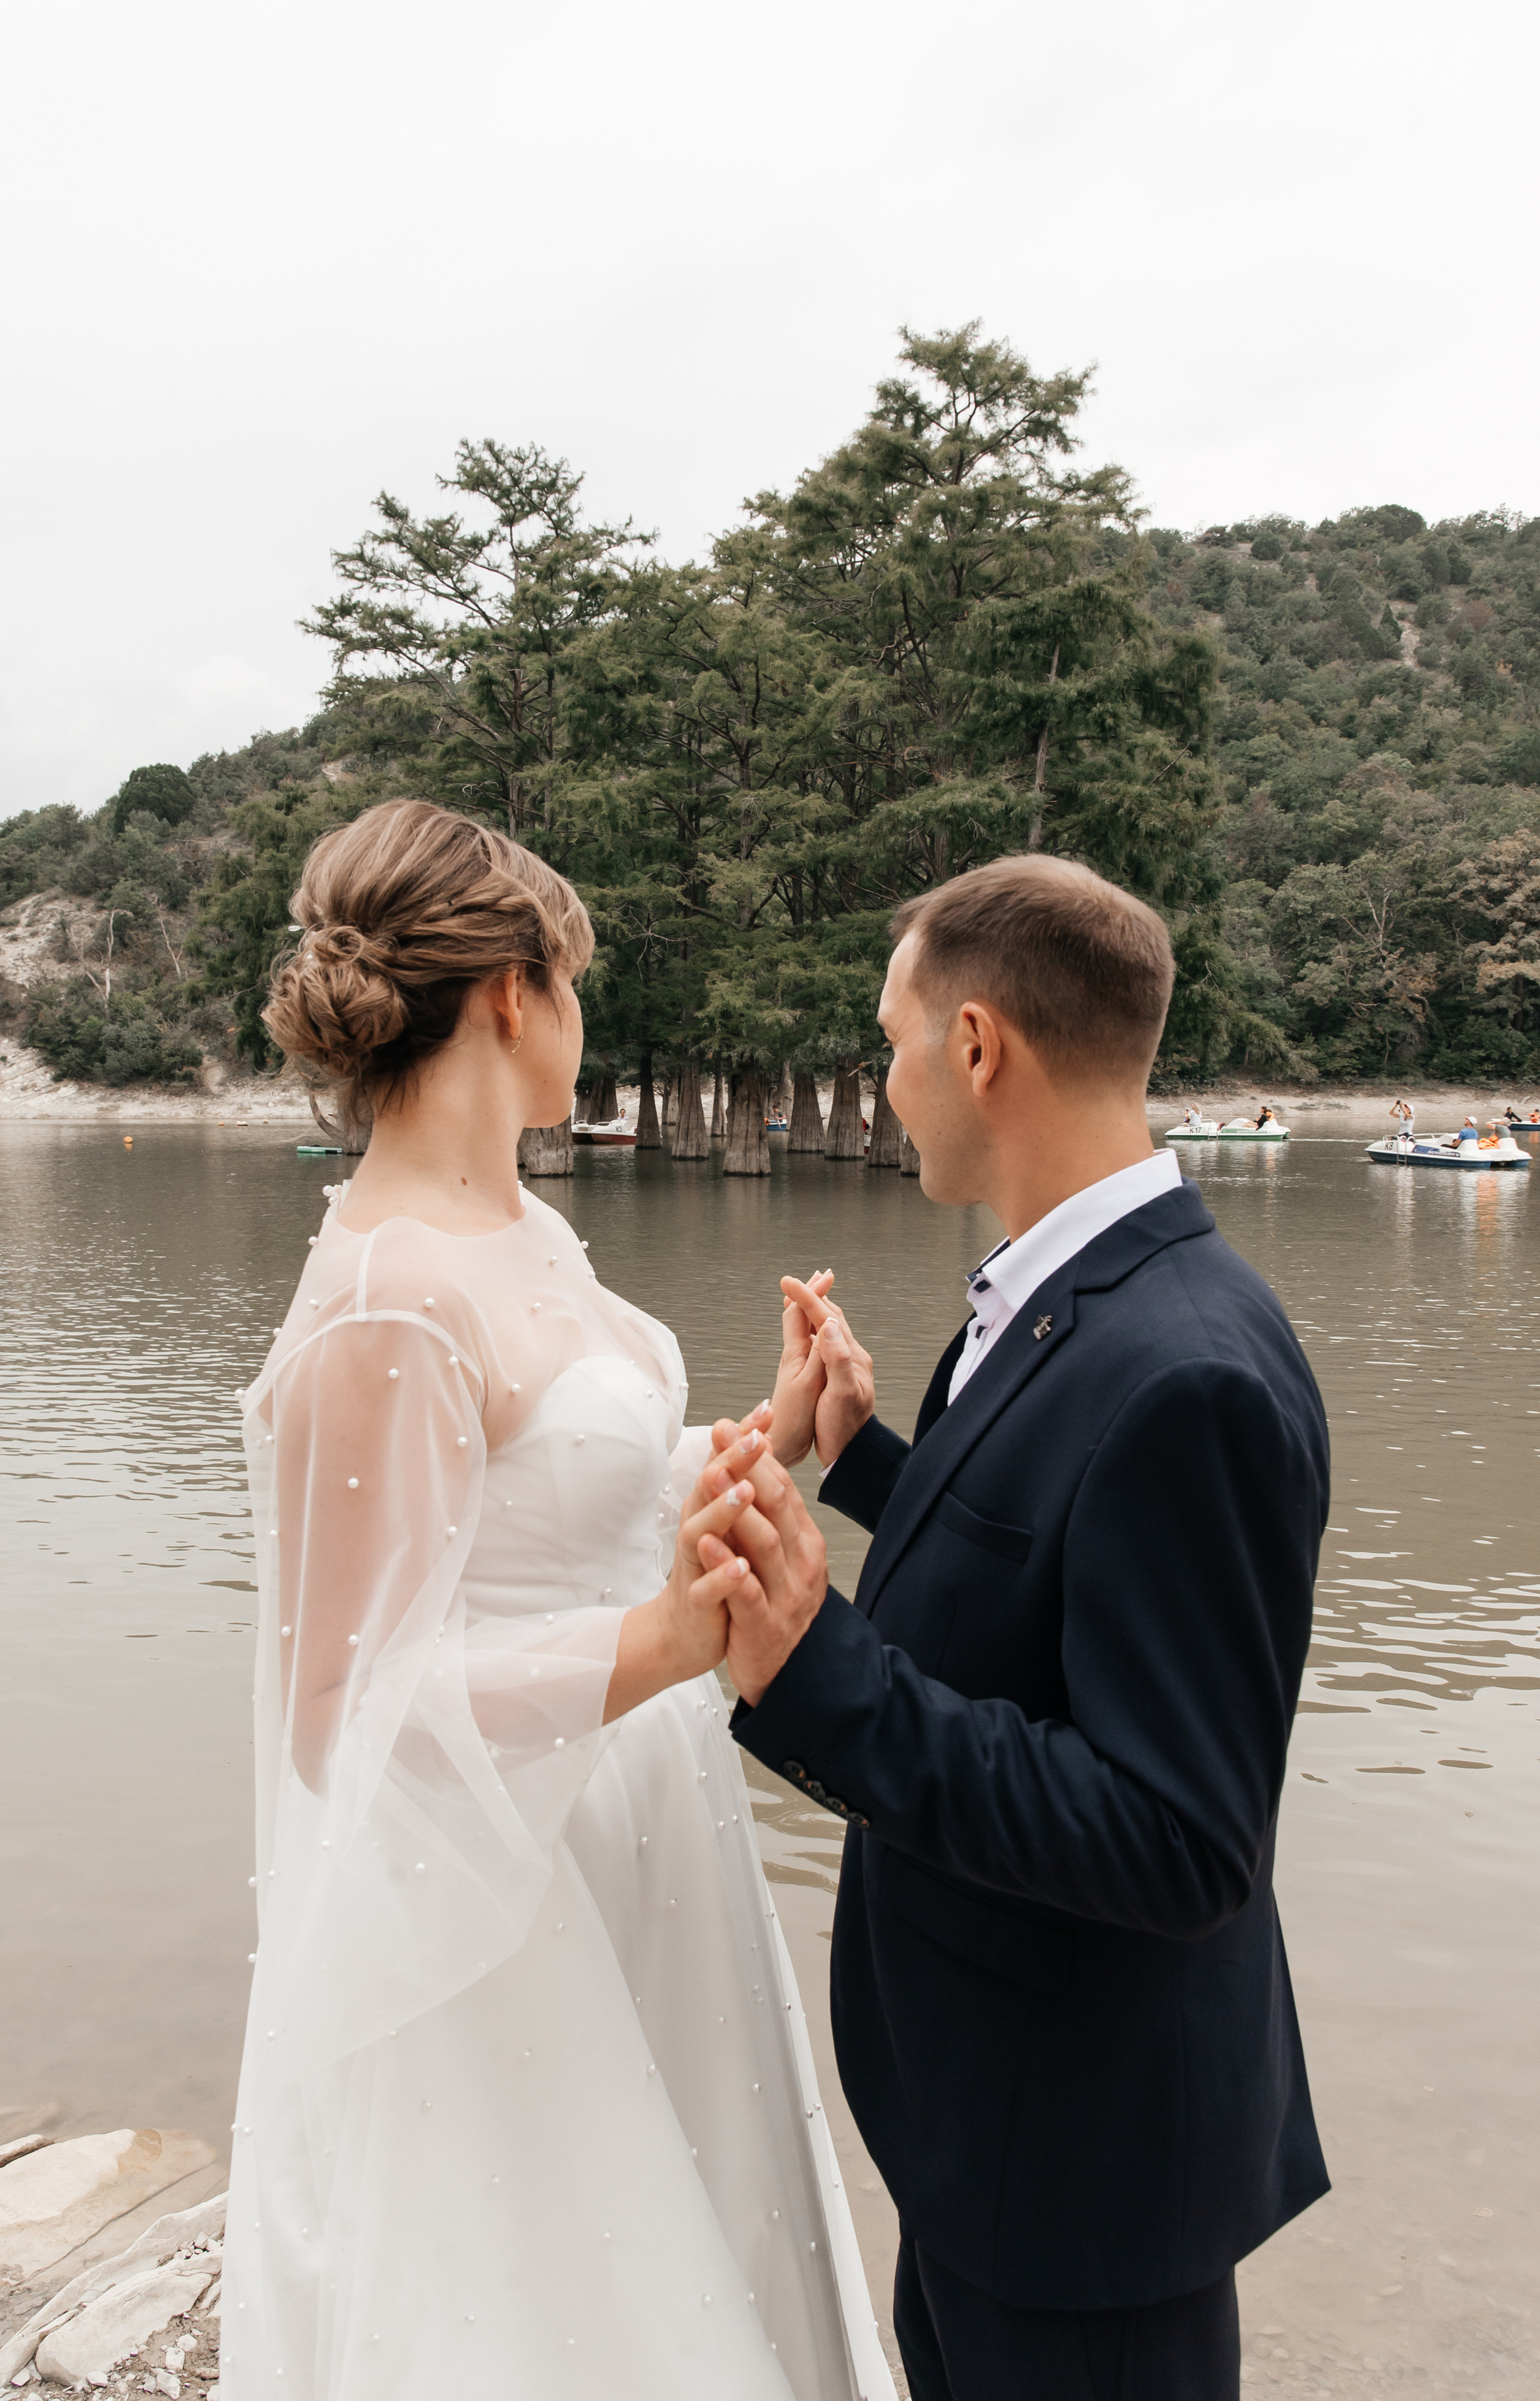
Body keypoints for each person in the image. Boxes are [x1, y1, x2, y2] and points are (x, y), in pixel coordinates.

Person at [221, 800, 894, 2401]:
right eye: (575, 984)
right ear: (515, 991)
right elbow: (341, 1720)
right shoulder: (386, 1294)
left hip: (650, 1824)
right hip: (511, 1892)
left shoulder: (515, 1221)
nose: (583, 1020)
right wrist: (665, 1643)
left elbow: (551, 1509)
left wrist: (768, 1436)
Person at [690, 855, 1330, 2401]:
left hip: (1087, 2174)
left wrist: (811, 1666)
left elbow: (1178, 1839)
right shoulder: (1069, 1296)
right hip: (998, 2128)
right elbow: (1048, 1578)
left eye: (893, 1043)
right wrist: (860, 1465)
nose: (887, 1083)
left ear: (976, 1046)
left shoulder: (1188, 1372)